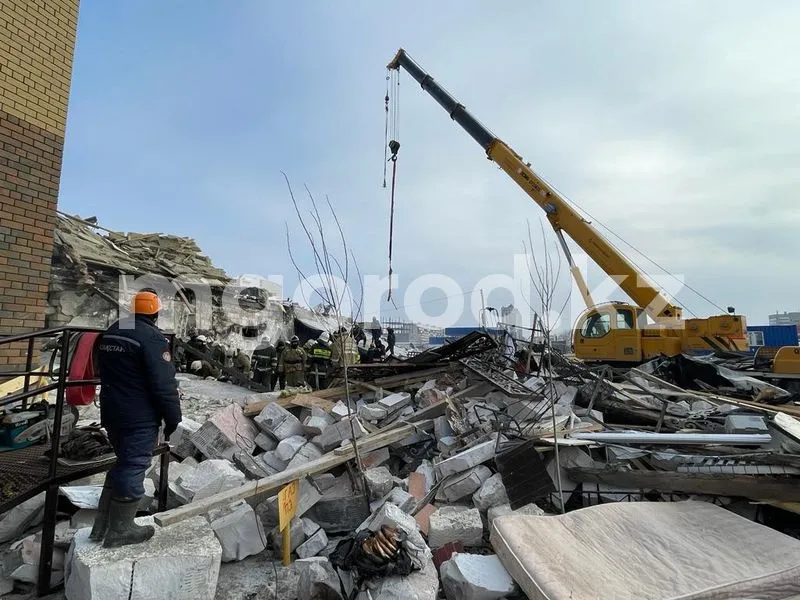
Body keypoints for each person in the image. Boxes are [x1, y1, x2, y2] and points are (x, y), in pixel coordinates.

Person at [91, 291, 181, 548]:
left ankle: (102, 527)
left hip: (112, 411)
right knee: (134, 465)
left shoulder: (115, 329)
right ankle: (121, 531)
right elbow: (163, 384)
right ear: (156, 313)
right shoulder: (152, 338)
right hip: (138, 415)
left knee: (123, 462)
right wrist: (173, 418)